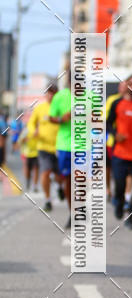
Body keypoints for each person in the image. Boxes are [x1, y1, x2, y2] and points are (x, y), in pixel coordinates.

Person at [106, 73, 132, 230]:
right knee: (120, 184)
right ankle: (118, 202)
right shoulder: (117, 103)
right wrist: (114, 134)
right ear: (126, 85)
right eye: (131, 83)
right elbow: (108, 124)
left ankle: (131, 217)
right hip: (121, 153)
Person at [28, 83, 59, 211]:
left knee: (60, 176)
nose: (50, 95)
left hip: (60, 147)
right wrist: (33, 131)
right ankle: (47, 199)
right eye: (48, 92)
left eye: (53, 93)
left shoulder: (62, 108)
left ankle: (60, 187)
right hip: (43, 147)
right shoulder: (39, 109)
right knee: (45, 172)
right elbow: (31, 124)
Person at [49, 75, 72, 229]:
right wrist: (62, 119)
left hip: (85, 146)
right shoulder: (60, 96)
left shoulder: (91, 96)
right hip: (65, 145)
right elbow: (51, 118)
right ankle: (73, 212)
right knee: (69, 180)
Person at [19, 114, 39, 192]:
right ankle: (28, 181)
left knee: (36, 168)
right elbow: (20, 140)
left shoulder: (39, 130)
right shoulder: (27, 130)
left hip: (37, 152)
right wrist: (26, 139)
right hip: (27, 153)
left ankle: (35, 185)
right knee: (27, 169)